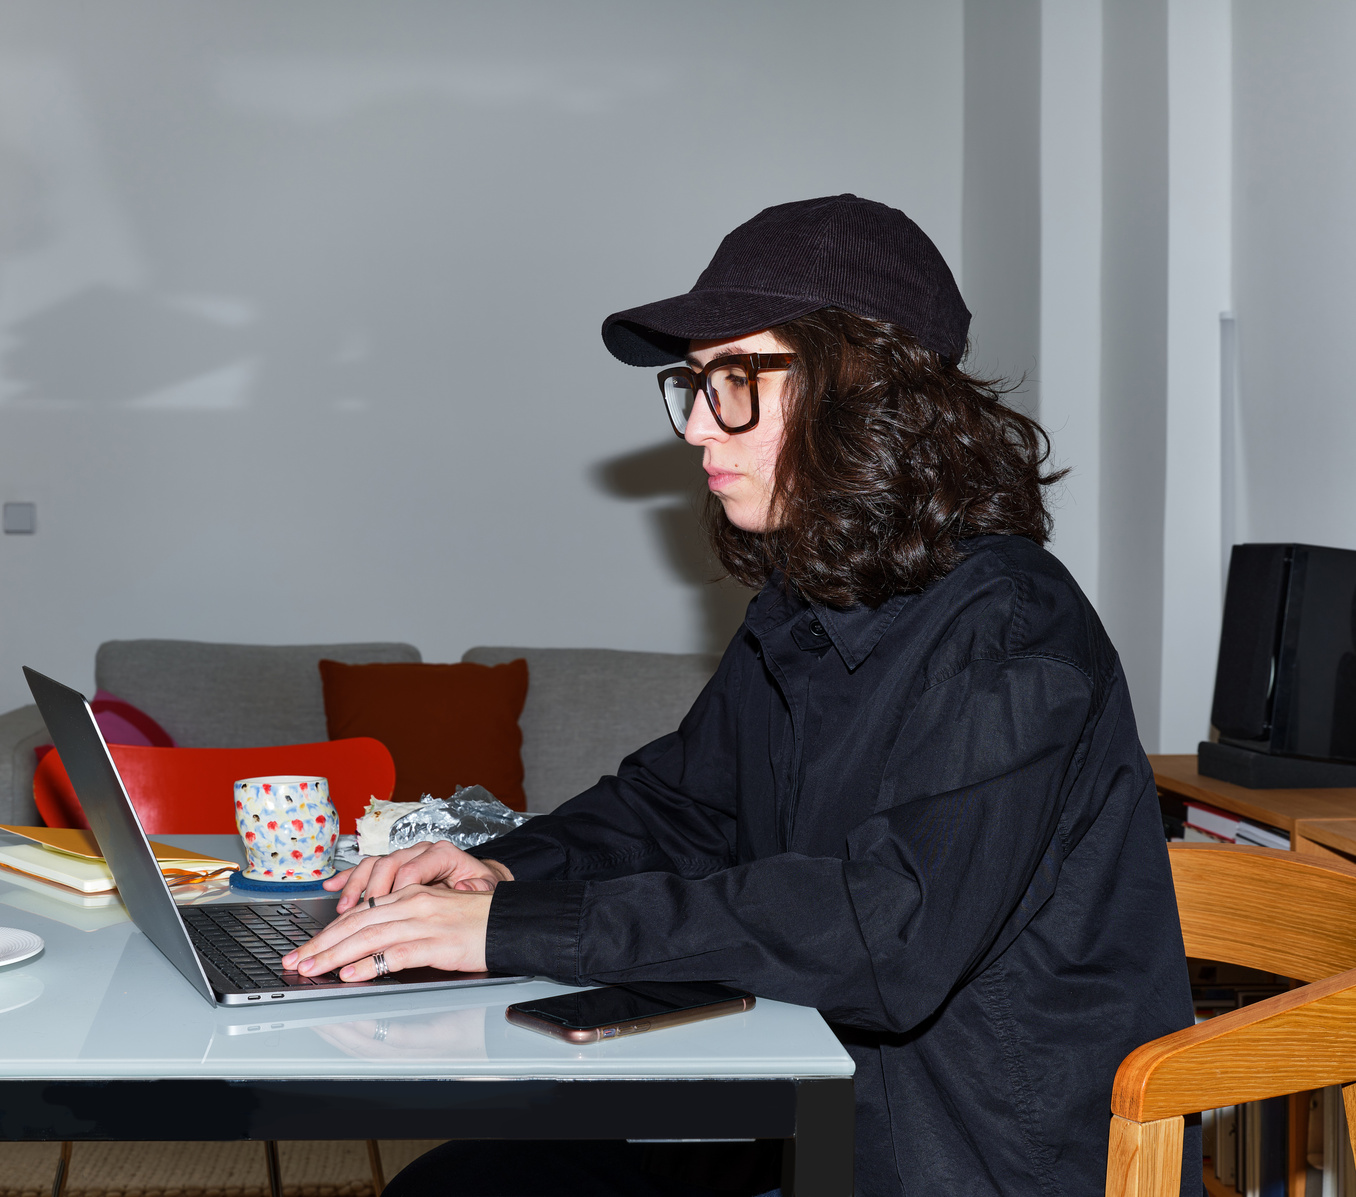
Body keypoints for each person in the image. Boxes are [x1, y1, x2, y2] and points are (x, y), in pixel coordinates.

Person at [283, 195, 1197, 1197]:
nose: (697, 429)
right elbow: (679, 805)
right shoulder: (808, 601)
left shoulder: (1010, 629)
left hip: (972, 1156)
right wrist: (499, 875)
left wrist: (524, 930)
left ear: (866, 393)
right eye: (696, 385)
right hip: (827, 1111)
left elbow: (885, 932)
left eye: (736, 383)